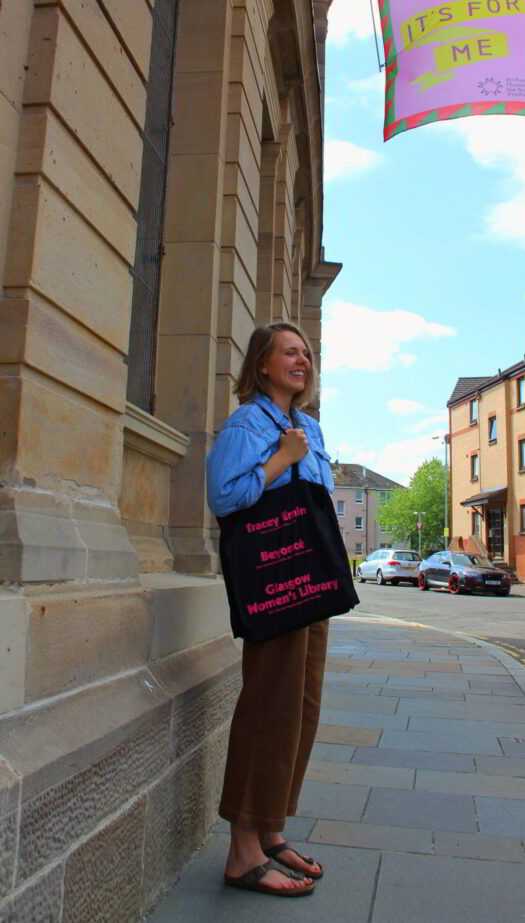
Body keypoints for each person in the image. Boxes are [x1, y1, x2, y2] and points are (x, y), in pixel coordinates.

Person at [206, 322, 335, 898]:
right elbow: (224, 496)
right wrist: (281, 460)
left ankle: (273, 827)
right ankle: (242, 850)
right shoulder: (247, 424)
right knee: (269, 704)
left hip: (310, 573)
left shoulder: (309, 425)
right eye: (289, 352)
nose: (301, 359)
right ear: (262, 364)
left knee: (303, 704)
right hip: (274, 577)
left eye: (306, 352)